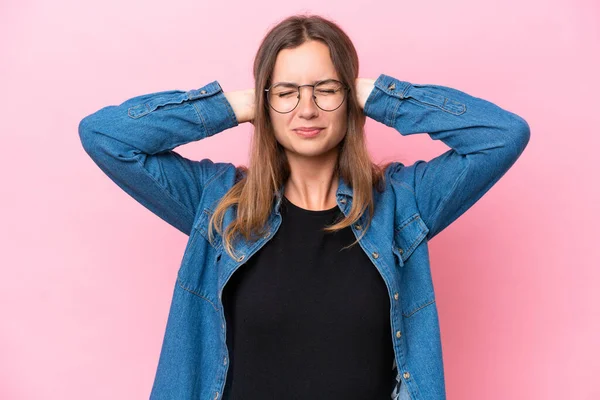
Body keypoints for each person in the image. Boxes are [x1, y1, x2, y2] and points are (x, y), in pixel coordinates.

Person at [78, 14, 530, 400]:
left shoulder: (402, 204)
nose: (307, 109)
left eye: (326, 89)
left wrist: (379, 97)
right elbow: (106, 136)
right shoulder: (216, 203)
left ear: (349, 98)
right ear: (265, 103)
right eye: (286, 92)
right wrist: (234, 104)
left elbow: (502, 135)